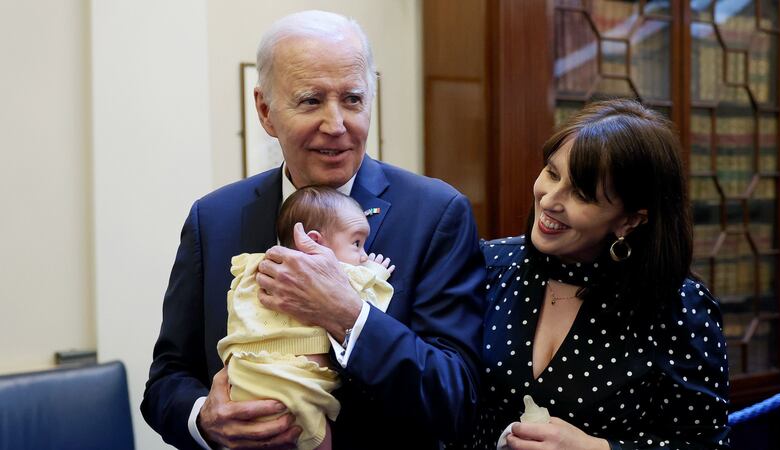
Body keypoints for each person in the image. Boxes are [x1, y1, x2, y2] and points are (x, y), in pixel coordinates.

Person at [140, 9, 485, 450]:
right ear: (265, 111)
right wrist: (204, 419)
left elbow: (458, 399)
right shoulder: (214, 219)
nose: (337, 125)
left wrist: (347, 315)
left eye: (353, 100)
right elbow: (167, 378)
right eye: (311, 100)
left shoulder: (436, 215)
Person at [454, 99, 730, 449]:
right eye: (552, 174)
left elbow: (704, 443)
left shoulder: (679, 308)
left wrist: (597, 448)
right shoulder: (489, 266)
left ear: (630, 220)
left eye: (582, 194)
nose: (550, 199)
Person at [217, 186, 395, 450]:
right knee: (319, 440)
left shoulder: (253, 269)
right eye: (356, 243)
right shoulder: (337, 274)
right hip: (296, 388)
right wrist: (375, 274)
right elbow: (366, 307)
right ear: (314, 242)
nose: (363, 255)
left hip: (244, 383)